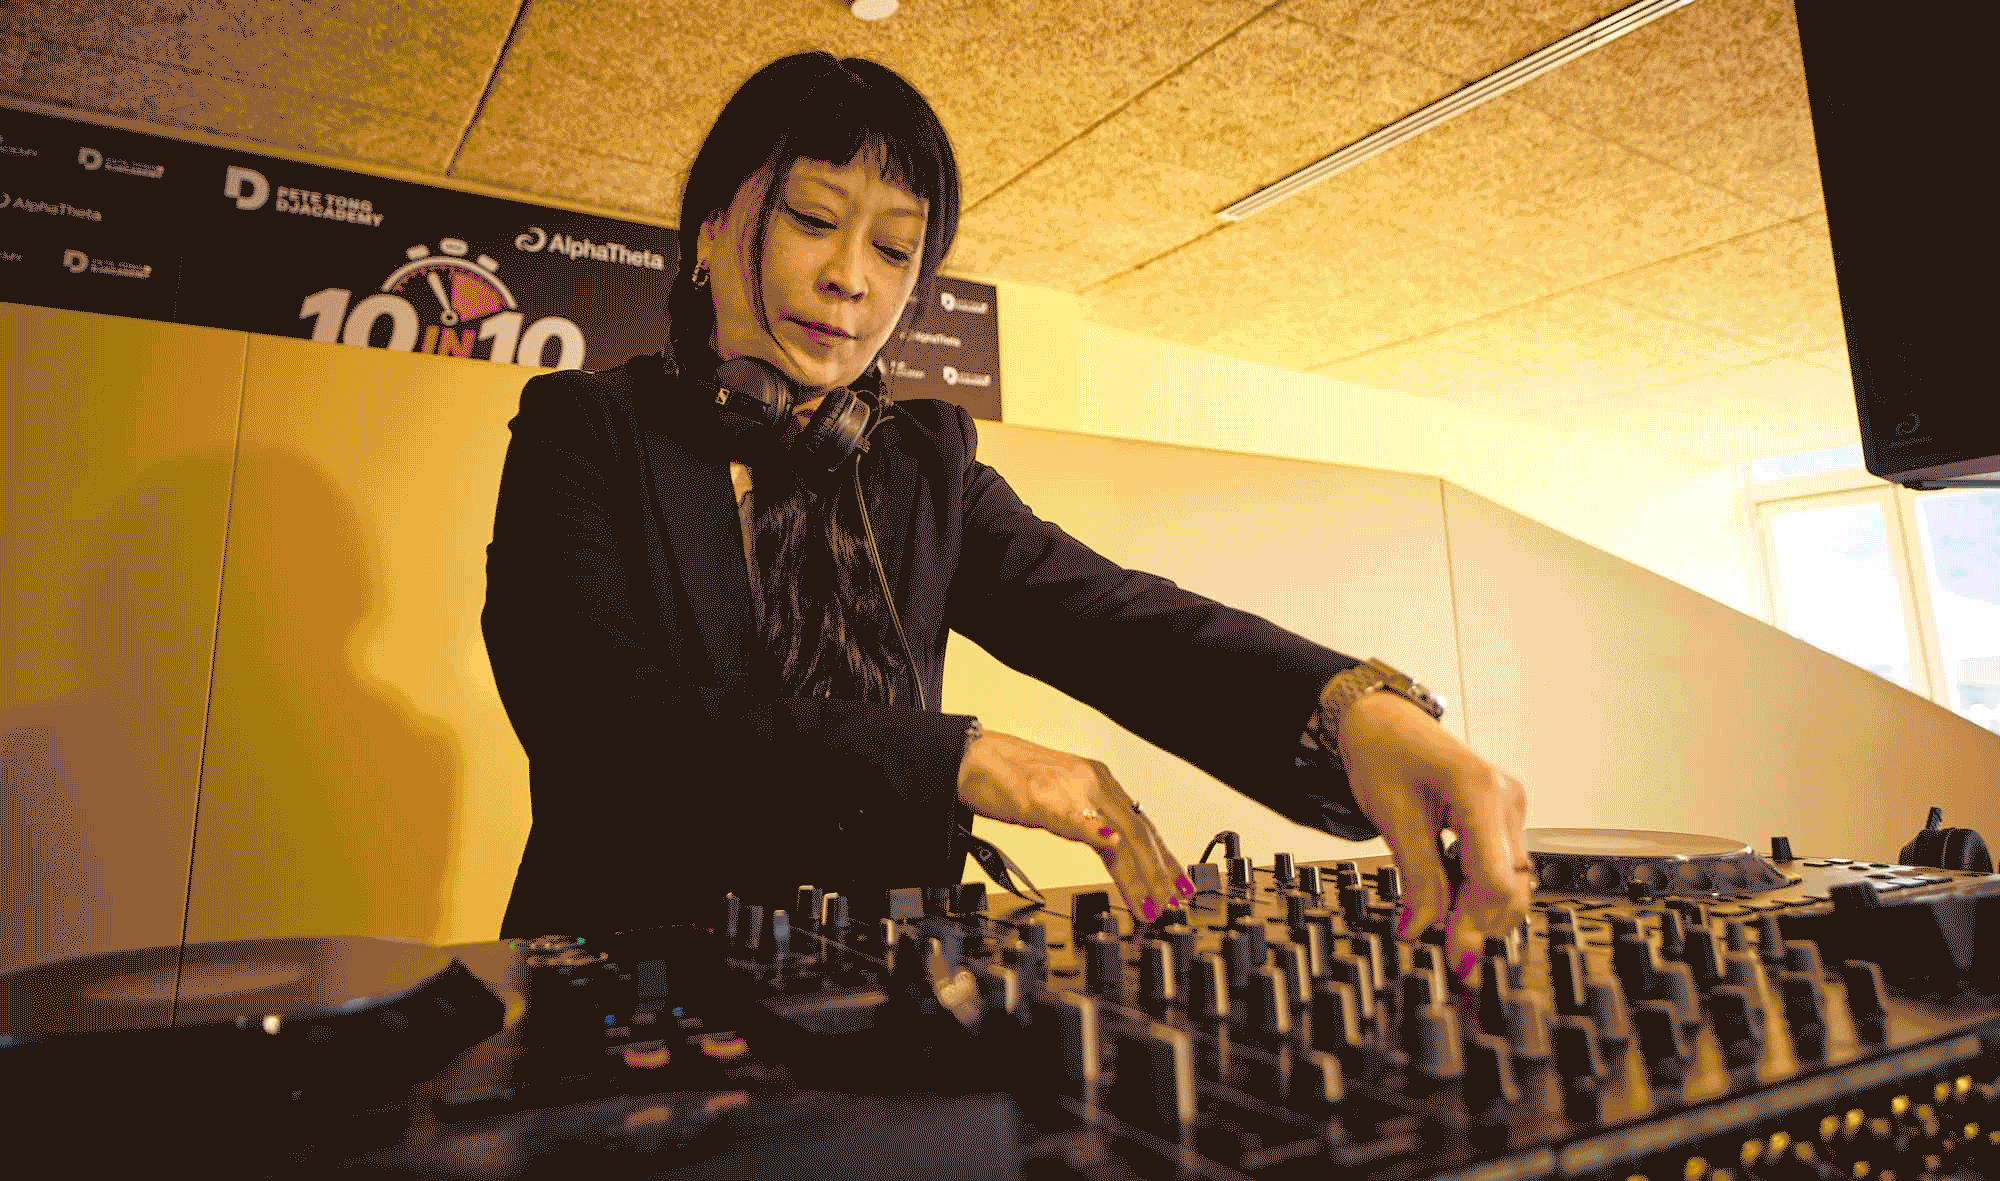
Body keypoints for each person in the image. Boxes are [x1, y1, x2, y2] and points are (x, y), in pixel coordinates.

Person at [482, 51, 1533, 984]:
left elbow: (1111, 618)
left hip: (877, 992)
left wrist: (1350, 714)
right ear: (710, 224)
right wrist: (956, 756)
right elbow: (600, 727)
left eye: (895, 251)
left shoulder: (920, 462)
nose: (850, 276)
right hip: (632, 981)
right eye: (810, 219)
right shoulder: (583, 429)